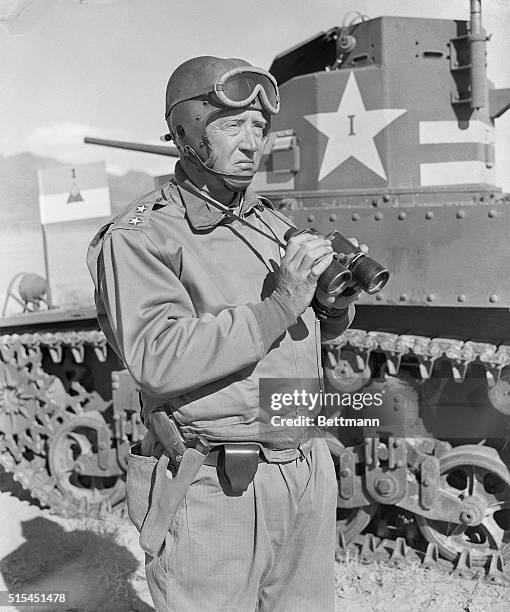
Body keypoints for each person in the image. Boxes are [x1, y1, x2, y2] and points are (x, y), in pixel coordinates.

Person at [87, 56, 361, 612]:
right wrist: (281, 301)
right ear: (186, 133)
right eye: (232, 125)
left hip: (305, 472)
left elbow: (303, 334)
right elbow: (158, 358)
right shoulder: (142, 237)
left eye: (259, 128)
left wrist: (329, 307)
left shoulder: (270, 222)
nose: (251, 143)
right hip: (219, 490)